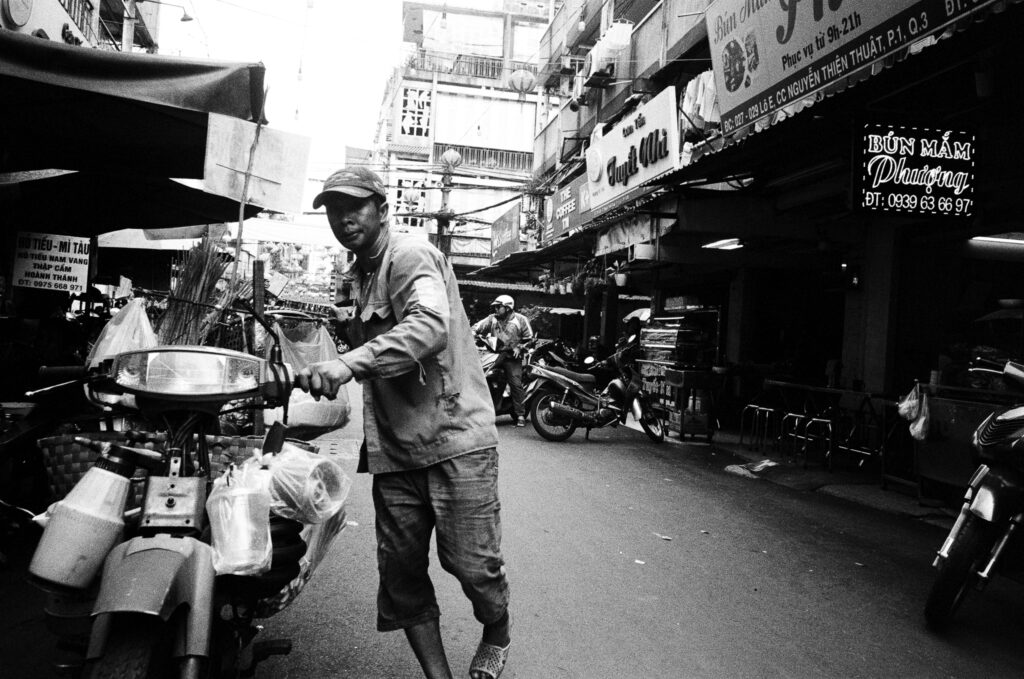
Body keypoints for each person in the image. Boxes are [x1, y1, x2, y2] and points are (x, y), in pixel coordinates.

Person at [295, 167, 511, 679]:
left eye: (355, 206)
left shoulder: (409, 255)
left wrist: (348, 363)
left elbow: (430, 325)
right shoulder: (360, 274)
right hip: (394, 450)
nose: (343, 218)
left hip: (455, 438)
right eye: (332, 209)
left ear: (383, 209)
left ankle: (497, 629)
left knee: (474, 567)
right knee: (401, 577)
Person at [472, 295, 534, 426]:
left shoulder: (520, 319)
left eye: (498, 307)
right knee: (479, 375)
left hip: (512, 358)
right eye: (495, 306)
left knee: (515, 383)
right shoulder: (492, 319)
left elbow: (530, 339)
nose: (495, 309)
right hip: (495, 355)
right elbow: (476, 328)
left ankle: (520, 415)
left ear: (507, 307)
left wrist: (520, 347)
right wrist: (472, 335)